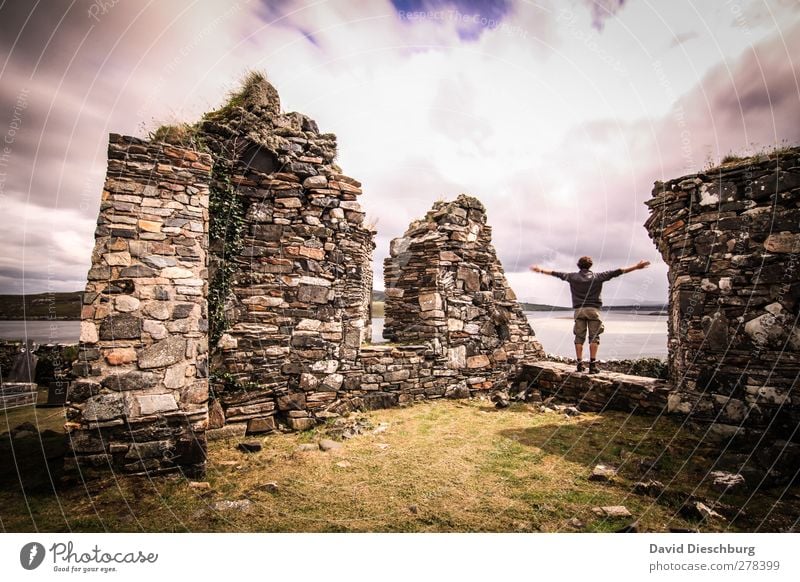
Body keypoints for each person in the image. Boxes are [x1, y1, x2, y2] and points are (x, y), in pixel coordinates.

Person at [529, 256, 650, 373]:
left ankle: (579, 364)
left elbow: (556, 273)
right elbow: (618, 272)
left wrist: (540, 270)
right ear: (590, 265)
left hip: (579, 310)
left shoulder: (572, 277)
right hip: (593, 309)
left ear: (579, 265)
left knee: (579, 337)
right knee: (594, 336)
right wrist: (636, 267)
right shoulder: (598, 277)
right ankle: (592, 365)